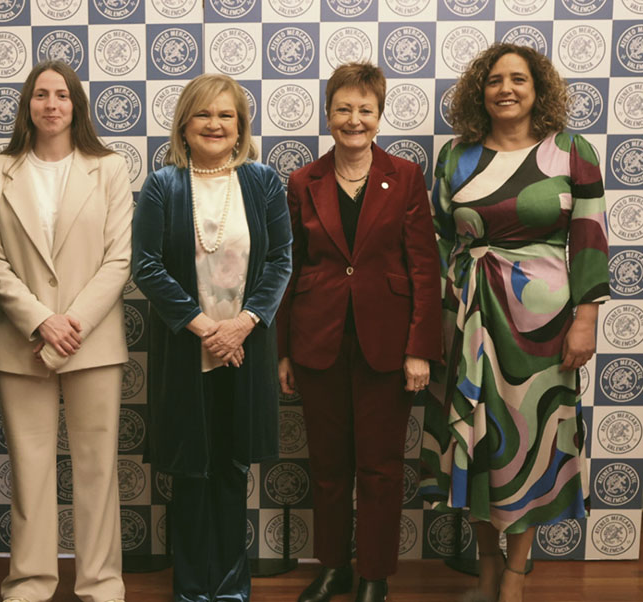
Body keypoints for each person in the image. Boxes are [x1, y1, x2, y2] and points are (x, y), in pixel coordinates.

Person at [419, 43, 610, 602]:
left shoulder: (571, 150)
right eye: (494, 80)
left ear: (537, 89)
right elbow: (436, 240)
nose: (505, 88)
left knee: (532, 439)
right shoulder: (456, 158)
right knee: (475, 441)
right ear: (480, 92)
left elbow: (591, 238)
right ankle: (484, 567)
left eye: (518, 79)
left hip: (542, 326)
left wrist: (587, 316)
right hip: (468, 318)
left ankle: (516, 574)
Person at [276, 62, 441, 602]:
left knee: (379, 467)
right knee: (327, 466)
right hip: (317, 340)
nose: (354, 119)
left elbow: (423, 267)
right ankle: (332, 567)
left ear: (379, 114)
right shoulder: (303, 181)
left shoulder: (407, 177)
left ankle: (374, 574)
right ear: (328, 114)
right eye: (343, 108)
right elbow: (289, 268)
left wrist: (420, 348)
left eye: (364, 110)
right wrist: (284, 352)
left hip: (387, 345)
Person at [132, 73, 292, 602]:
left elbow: (280, 261)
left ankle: (230, 587)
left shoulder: (264, 181)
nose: (214, 124)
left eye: (226, 115)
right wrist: (203, 327)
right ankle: (191, 588)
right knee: (190, 469)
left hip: (246, 347)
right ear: (184, 123)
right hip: (186, 349)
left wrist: (242, 324)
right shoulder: (163, 184)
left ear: (241, 125)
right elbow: (147, 266)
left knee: (231, 466)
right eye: (203, 114)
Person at [0, 60, 131, 602]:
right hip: (22, 340)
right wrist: (42, 320)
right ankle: (30, 581)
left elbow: (119, 260)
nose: (50, 104)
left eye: (61, 95)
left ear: (75, 105)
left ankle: (101, 583)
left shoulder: (108, 168)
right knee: (30, 467)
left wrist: (73, 323)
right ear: (27, 105)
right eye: (40, 95)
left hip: (93, 341)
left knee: (97, 468)